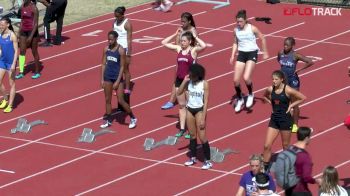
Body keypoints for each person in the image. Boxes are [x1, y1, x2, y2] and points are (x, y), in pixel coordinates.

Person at [162, 30, 206, 139]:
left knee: (190, 106)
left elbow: (204, 46)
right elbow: (163, 42)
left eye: (184, 41)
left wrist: (196, 37)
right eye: (181, 41)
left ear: (190, 41)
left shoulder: (194, 50)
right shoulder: (178, 49)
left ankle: (191, 129)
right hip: (179, 80)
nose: (182, 43)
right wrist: (175, 34)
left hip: (190, 82)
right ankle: (182, 129)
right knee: (181, 106)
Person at [262, 70, 306, 170]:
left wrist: (291, 105)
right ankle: (265, 168)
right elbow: (264, 96)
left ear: (281, 80)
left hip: (285, 120)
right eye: (272, 79)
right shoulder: (270, 89)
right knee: (266, 145)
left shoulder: (288, 90)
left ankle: (289, 165)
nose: (274, 81)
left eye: (276, 79)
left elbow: (303, 98)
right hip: (274, 120)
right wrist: (271, 104)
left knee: (285, 145)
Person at [229, 9, 269, 112]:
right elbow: (235, 43)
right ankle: (240, 98)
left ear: (246, 20)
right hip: (241, 54)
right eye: (237, 22)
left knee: (246, 77)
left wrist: (265, 52)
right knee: (236, 81)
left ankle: (251, 94)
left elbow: (262, 37)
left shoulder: (252, 28)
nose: (239, 23)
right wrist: (232, 55)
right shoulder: (236, 30)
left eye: (241, 21)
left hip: (252, 53)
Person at [177, 63, 212, 169]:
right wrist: (184, 80)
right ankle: (192, 158)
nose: (190, 75)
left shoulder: (205, 84)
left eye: (191, 74)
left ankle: (208, 161)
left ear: (198, 74)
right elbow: (179, 92)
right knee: (192, 135)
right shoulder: (189, 82)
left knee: (202, 137)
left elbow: (206, 101)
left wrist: (203, 118)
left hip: (199, 111)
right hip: (190, 110)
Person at [100, 31, 137, 129]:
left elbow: (122, 67)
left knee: (120, 100)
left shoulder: (121, 50)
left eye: (111, 39)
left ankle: (133, 118)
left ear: (116, 39)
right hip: (108, 77)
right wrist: (102, 79)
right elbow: (103, 64)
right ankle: (108, 120)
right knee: (107, 100)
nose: (109, 41)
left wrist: (117, 81)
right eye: (108, 39)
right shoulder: (106, 49)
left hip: (117, 78)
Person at [161, 12, 198, 110]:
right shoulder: (180, 29)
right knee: (177, 79)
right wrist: (178, 37)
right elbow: (177, 43)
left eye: (184, 22)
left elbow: (194, 45)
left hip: (189, 59)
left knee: (189, 83)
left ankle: (192, 103)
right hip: (181, 57)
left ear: (189, 21)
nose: (182, 23)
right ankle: (171, 101)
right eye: (181, 21)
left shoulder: (193, 30)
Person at [278, 37, 314, 133]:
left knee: (294, 103)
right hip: (283, 81)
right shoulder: (280, 53)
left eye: (287, 45)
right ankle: (285, 121)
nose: (285, 47)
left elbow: (310, 61)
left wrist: (299, 70)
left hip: (293, 81)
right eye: (284, 45)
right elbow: (280, 63)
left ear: (292, 46)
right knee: (284, 102)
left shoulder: (295, 55)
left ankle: (295, 125)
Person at [284, 127, 321, 196]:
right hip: (300, 191)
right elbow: (306, 177)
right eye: (310, 137)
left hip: (289, 189)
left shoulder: (289, 149)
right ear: (307, 138)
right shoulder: (305, 157)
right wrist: (316, 181)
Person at [15, 0, 41, 79]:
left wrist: (31, 36)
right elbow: (22, 20)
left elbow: (36, 24)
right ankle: (21, 72)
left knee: (34, 51)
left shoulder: (34, 8)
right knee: (22, 51)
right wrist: (19, 32)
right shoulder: (22, 7)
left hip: (33, 32)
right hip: (24, 31)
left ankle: (37, 71)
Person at [113, 6, 132, 107]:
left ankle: (127, 88)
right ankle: (118, 87)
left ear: (122, 15)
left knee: (125, 69)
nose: (116, 18)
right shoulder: (114, 21)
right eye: (115, 16)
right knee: (116, 69)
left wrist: (129, 52)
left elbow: (129, 39)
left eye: (117, 16)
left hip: (124, 49)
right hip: (116, 48)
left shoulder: (127, 24)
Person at [0, 17, 18, 113]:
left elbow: (16, 51)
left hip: (11, 63)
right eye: (0, 24)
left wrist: (14, 64)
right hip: (2, 61)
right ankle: (5, 98)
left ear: (8, 24)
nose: (0, 26)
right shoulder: (0, 34)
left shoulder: (12, 35)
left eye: (2, 24)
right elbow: (0, 49)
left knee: (12, 84)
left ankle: (10, 105)